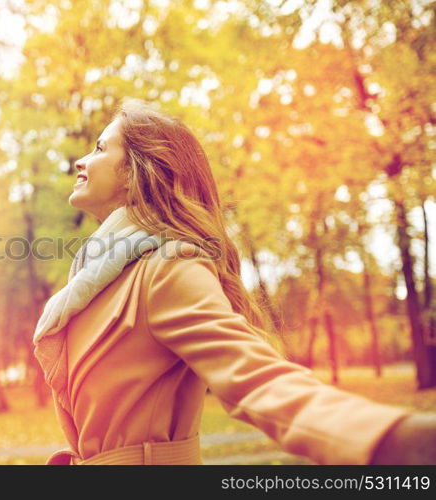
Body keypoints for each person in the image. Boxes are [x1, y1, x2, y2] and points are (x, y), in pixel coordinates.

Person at [31, 98, 436, 465]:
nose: (82, 161)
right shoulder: (94, 278)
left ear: (135, 173)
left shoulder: (169, 265)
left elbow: (250, 376)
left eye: (101, 148)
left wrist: (386, 440)